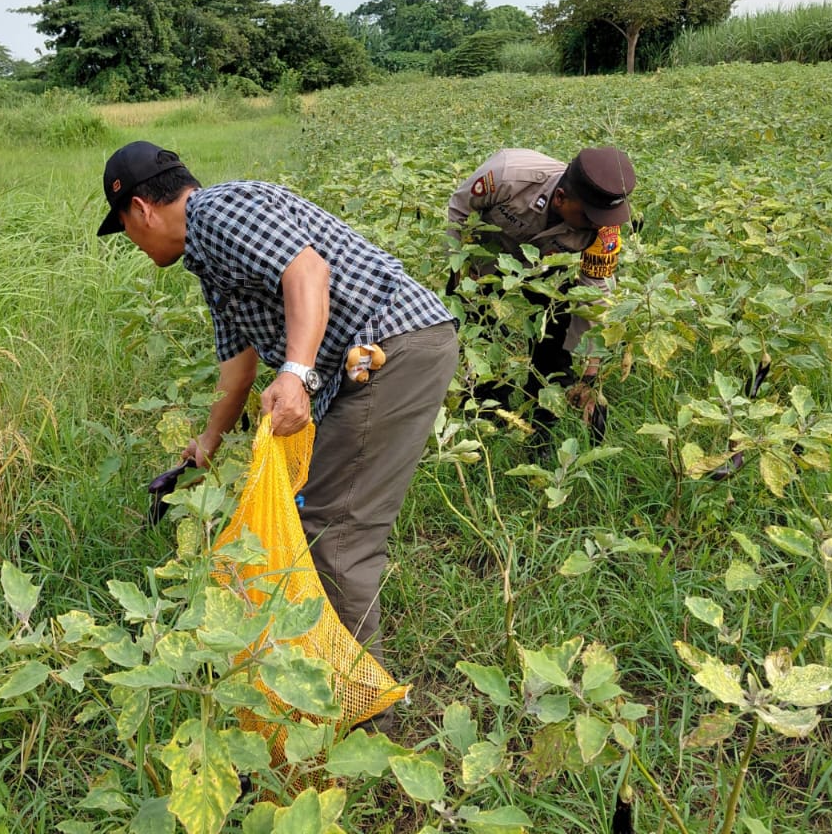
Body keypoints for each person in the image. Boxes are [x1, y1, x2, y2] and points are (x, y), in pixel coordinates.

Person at [98, 140, 458, 727]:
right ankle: (340, 689)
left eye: (127, 232)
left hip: (391, 349)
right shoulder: (208, 257)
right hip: (383, 356)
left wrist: (295, 373)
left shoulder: (219, 210)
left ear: (140, 210)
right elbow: (238, 363)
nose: (137, 247)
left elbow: (307, 270)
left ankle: (367, 717)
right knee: (320, 515)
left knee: (333, 535)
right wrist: (209, 440)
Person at [446, 146, 635, 440]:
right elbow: (459, 211)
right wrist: (462, 271)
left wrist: (590, 375)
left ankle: (543, 419)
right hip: (487, 251)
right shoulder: (508, 176)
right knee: (479, 330)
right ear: (561, 199)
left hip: (546, 262)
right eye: (589, 218)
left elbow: (594, 294)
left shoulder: (604, 227)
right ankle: (487, 415)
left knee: (557, 327)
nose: (598, 225)